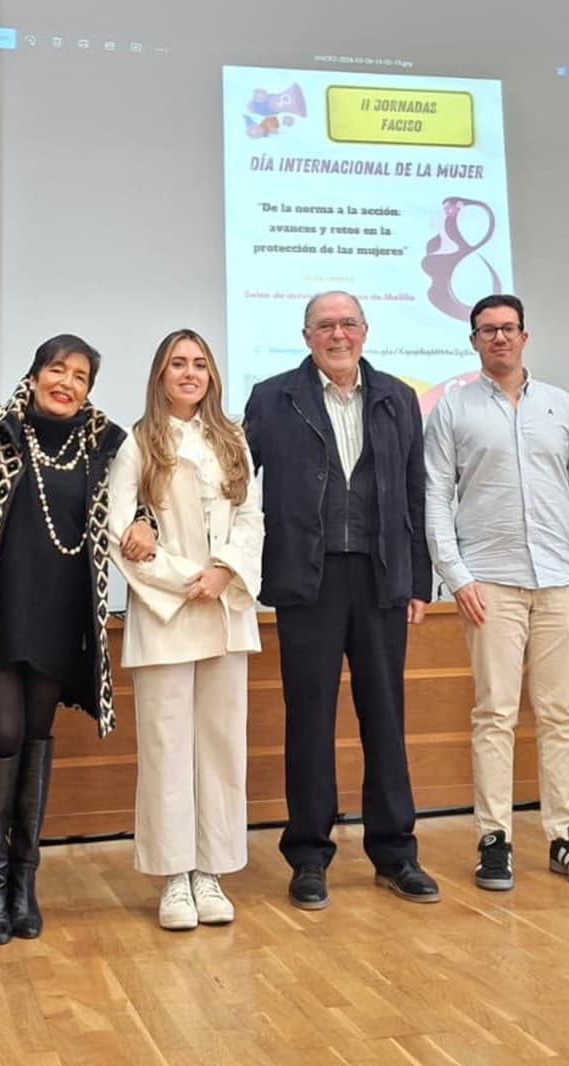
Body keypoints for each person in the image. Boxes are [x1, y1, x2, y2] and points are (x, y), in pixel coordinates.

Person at [243, 290, 440, 911]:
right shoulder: (272, 398)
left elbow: (416, 491)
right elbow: (235, 485)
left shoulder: (398, 398)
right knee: (310, 720)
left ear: (365, 331)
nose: (338, 334)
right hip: (307, 579)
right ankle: (308, 855)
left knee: (385, 716)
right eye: (325, 325)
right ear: (306, 336)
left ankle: (395, 852)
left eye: (348, 323)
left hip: (381, 579)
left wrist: (418, 580)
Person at [423, 293, 569, 893]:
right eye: (488, 330)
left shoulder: (562, 405)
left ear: (525, 337)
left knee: (559, 714)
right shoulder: (452, 409)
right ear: (474, 341)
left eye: (509, 328)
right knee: (494, 714)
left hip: (562, 583)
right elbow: (435, 496)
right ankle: (494, 839)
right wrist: (457, 577)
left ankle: (566, 836)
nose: (500, 338)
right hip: (488, 584)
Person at [0, 334, 127, 944]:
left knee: (37, 737)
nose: (66, 383)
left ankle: (23, 883)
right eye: (57, 369)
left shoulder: (104, 444)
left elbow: (136, 501)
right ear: (33, 374)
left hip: (59, 613)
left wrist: (145, 523)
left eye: (80, 376)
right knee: (3, 733)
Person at [108, 329, 264, 930]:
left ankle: (211, 872)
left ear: (212, 377)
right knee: (168, 747)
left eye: (200, 364)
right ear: (161, 375)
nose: (190, 373)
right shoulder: (138, 442)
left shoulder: (232, 440)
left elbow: (251, 518)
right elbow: (119, 529)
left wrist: (224, 572)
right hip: (167, 615)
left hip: (224, 611)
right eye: (178, 363)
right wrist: (184, 579)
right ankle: (175, 876)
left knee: (221, 747)